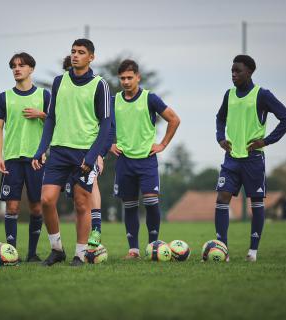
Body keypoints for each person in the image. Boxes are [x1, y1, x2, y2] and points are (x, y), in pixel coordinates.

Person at [32, 39, 111, 266]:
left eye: (81, 52)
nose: (76, 55)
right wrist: (41, 150)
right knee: (46, 200)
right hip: (58, 151)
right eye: (73, 52)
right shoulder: (59, 82)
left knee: (81, 204)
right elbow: (51, 119)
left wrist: (92, 156)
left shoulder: (100, 85)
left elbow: (106, 125)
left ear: (91, 57)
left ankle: (80, 253)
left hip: (85, 152)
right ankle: (57, 249)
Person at [214, 54, 286, 262]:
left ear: (249, 72)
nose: (233, 74)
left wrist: (266, 141)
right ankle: (222, 250)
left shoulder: (262, 95)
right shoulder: (229, 94)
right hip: (231, 159)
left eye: (237, 70)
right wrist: (221, 138)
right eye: (232, 71)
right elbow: (220, 118)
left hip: (253, 159)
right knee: (222, 198)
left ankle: (252, 252)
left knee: (256, 203)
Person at [110, 59, 180, 259]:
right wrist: (108, 144)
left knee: (151, 203)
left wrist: (163, 144)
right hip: (124, 161)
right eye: (122, 78)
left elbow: (174, 119)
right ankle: (133, 250)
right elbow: (98, 124)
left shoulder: (150, 98)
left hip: (147, 160)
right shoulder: (114, 101)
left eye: (129, 77)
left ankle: (153, 246)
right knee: (130, 206)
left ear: (138, 77)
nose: (125, 81)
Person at [0, 52, 50, 262]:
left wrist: (41, 114)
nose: (17, 69)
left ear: (31, 69)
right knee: (12, 206)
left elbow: (54, 124)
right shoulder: (4, 97)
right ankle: (11, 253)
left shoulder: (44, 96)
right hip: (12, 159)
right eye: (14, 66)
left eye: (22, 65)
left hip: (37, 160)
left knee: (36, 207)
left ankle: (32, 254)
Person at [60, 55, 114, 248]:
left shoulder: (97, 89)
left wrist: (100, 153)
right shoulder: (64, 92)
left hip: (91, 150)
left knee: (93, 183)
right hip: (66, 152)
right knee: (79, 202)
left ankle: (96, 230)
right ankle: (84, 243)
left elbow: (108, 126)